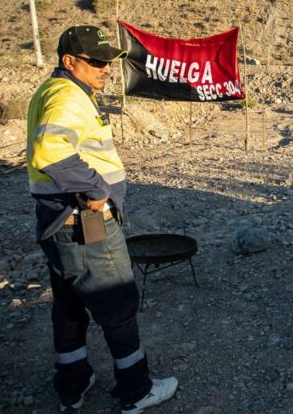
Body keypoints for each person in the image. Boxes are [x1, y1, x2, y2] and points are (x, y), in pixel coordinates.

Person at [27, 26, 178, 414]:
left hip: (59, 222)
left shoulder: (54, 91)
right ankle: (136, 389)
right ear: (69, 61)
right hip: (83, 223)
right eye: (96, 61)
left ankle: (73, 384)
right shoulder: (66, 96)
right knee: (118, 304)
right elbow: (52, 152)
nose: (106, 68)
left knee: (69, 307)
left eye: (108, 60)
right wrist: (96, 191)